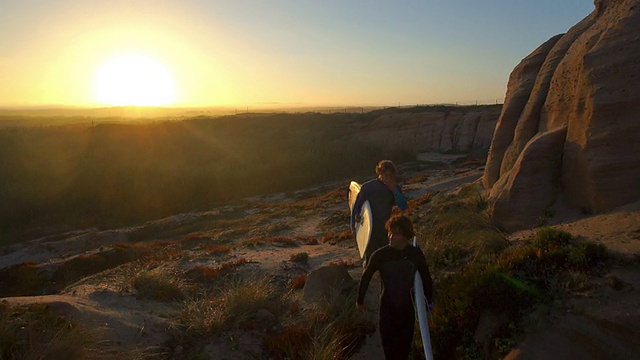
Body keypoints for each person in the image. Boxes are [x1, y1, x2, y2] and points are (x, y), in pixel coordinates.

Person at [356, 215, 433, 360]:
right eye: (389, 232)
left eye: (395, 233)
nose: (390, 237)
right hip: (387, 311)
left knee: (403, 353)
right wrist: (359, 301)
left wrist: (429, 303)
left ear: (405, 235)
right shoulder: (380, 255)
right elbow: (366, 277)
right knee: (390, 354)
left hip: (406, 312)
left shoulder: (415, 254)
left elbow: (426, 278)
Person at [351, 160, 408, 266]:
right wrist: (353, 226)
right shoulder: (368, 187)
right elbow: (356, 207)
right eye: (385, 175)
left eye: (391, 175)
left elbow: (403, 206)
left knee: (387, 260)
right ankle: (366, 279)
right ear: (379, 173)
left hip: (386, 229)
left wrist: (393, 190)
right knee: (370, 259)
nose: (388, 178)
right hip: (370, 230)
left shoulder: (394, 188)